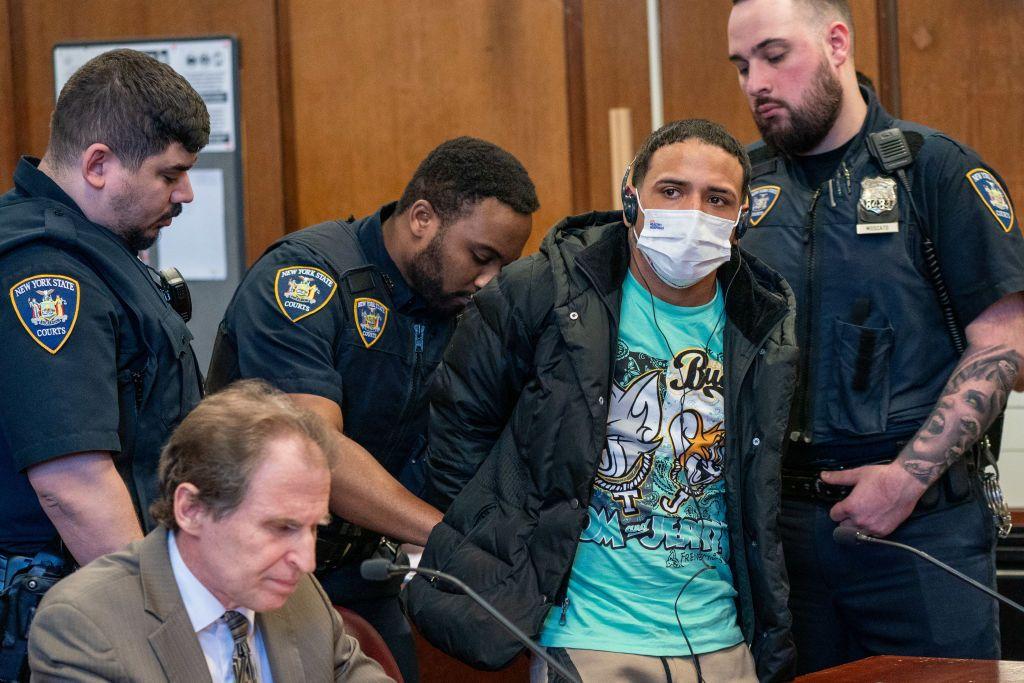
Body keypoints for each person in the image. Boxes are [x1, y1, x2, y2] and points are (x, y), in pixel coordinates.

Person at [405, 119, 799, 683]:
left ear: (741, 219)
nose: (693, 212)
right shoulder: (544, 291)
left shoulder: (762, 324)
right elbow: (459, 428)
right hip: (585, 636)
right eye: (671, 191)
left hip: (722, 637)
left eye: (718, 199)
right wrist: (502, 555)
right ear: (631, 197)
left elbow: (760, 488)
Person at [727, 0, 1024, 673]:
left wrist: (907, 478)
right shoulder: (741, 186)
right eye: (742, 67)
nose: (755, 84)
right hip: (782, 538)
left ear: (837, 43)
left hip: (921, 529)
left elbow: (1006, 339)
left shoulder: (934, 171)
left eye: (774, 56)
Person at [206, 136, 539, 681]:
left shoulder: (458, 308)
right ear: (422, 218)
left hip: (368, 569)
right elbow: (311, 450)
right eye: (480, 257)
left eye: (504, 265)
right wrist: (449, 540)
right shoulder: (308, 278)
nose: (488, 281)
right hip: (259, 563)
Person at [0, 49, 209, 678]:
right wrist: (165, 633)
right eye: (170, 175)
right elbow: (74, 485)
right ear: (98, 165)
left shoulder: (94, 249)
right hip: (64, 608)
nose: (187, 194)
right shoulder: (45, 273)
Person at [27, 380, 392, 682]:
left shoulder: (299, 593)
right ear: (191, 510)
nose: (306, 561)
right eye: (281, 528)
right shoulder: (83, 624)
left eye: (313, 528)